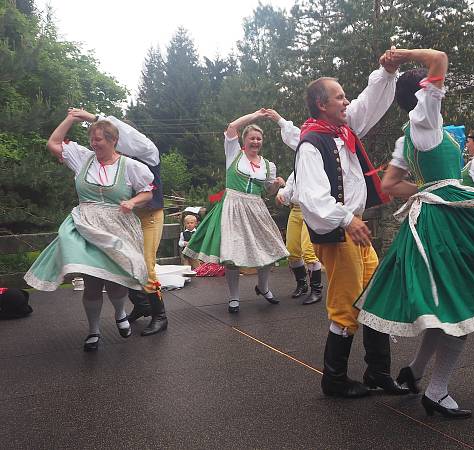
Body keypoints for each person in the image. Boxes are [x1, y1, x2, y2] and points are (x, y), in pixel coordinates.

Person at [356, 49, 474, 419]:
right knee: (460, 303)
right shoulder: (425, 117)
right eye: (434, 84)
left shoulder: (407, 135)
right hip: (444, 222)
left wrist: (427, 189)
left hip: (433, 216)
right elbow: (440, 58)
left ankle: (415, 372)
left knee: (444, 306)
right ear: (425, 89)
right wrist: (403, 55)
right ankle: (437, 391)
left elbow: (391, 184)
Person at [293, 50, 408, 398]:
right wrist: (347, 219)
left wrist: (385, 73)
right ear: (320, 104)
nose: (346, 101)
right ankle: (334, 380)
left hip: (351, 228)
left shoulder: (341, 130)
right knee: (346, 304)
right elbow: (312, 197)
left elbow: (367, 104)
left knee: (375, 294)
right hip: (336, 232)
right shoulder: (312, 143)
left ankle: (377, 372)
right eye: (339, 96)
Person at [25, 109, 154, 351]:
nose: (94, 144)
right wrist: (71, 119)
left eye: (99, 140)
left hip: (117, 226)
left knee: (116, 283)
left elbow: (148, 192)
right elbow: (53, 143)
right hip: (86, 225)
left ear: (113, 140)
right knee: (92, 282)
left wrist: (132, 202)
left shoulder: (130, 166)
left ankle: (120, 313)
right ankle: (94, 331)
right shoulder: (82, 158)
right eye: (92, 140)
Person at [183, 110, 289, 313]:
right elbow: (232, 126)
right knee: (231, 255)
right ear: (244, 139)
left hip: (256, 207)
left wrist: (276, 184)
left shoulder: (268, 165)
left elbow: (268, 191)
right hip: (233, 206)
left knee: (268, 249)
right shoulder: (234, 153)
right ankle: (234, 298)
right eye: (252, 138)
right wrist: (257, 115)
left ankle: (263, 287)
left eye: (259, 138)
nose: (255, 142)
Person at [275, 171, 324, 304]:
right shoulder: (296, 169)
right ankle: (302, 285)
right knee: (292, 252)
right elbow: (289, 188)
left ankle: (316, 290)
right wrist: (281, 196)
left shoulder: (316, 165)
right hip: (295, 210)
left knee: (309, 252)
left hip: (311, 210)